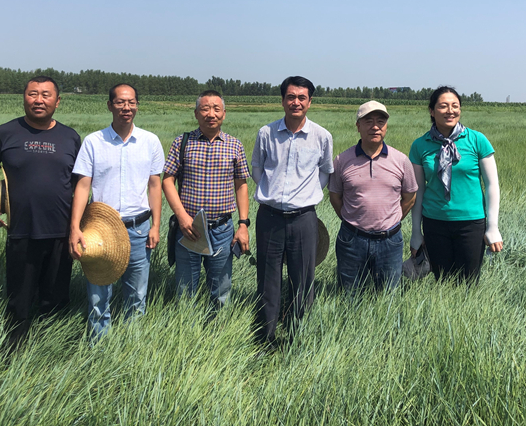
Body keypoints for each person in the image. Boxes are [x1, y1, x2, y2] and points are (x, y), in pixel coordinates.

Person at [0, 76, 81, 350]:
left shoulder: (70, 137)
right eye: (33, 94)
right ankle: (13, 351)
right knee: (19, 298)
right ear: (24, 98)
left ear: (57, 101)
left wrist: (78, 226)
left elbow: (80, 183)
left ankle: (53, 350)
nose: (39, 100)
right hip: (21, 230)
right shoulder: (5, 133)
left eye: (46, 95)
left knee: (56, 297)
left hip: (61, 232)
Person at [69, 84, 164, 340]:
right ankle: (98, 347)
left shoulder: (150, 141)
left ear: (137, 106)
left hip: (138, 229)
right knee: (98, 296)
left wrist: (156, 225)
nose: (126, 107)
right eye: (121, 102)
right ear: (110, 105)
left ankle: (131, 345)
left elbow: (155, 185)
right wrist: (75, 227)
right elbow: (83, 186)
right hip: (100, 231)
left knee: (137, 295)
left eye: (131, 102)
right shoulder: (93, 142)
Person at [251, 75, 333, 345]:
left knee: (303, 279)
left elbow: (325, 172)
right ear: (282, 100)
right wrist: (273, 192)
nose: (295, 102)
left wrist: (306, 194)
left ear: (310, 102)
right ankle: (265, 338)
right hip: (269, 217)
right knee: (267, 279)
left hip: (304, 219)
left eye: (301, 97)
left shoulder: (322, 136)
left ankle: (298, 337)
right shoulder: (266, 133)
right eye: (290, 97)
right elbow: (257, 169)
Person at [162, 90, 251, 308]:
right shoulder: (182, 142)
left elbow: (241, 185)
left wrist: (243, 224)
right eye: (205, 109)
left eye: (216, 109)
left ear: (224, 114)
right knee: (185, 288)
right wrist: (182, 217)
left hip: (222, 229)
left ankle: (218, 325)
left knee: (221, 289)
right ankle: (186, 324)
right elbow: (167, 181)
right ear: (196, 113)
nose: (211, 114)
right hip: (189, 227)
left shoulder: (235, 145)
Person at [409, 86, 503, 283]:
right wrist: (416, 232)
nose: (450, 111)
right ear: (432, 111)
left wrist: (493, 227)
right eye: (443, 106)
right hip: (434, 222)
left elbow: (492, 185)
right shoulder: (420, 145)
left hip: (471, 223)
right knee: (442, 282)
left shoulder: (477, 140)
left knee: (469, 282)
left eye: (455, 106)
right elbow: (418, 190)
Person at [329, 101, 417, 291]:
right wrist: (352, 219)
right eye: (368, 121)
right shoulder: (342, 160)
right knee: (349, 296)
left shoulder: (401, 160)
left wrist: (391, 220)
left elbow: (410, 197)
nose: (375, 127)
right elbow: (335, 197)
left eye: (380, 121)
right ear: (358, 126)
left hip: (390, 241)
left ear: (386, 126)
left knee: (388, 297)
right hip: (351, 240)